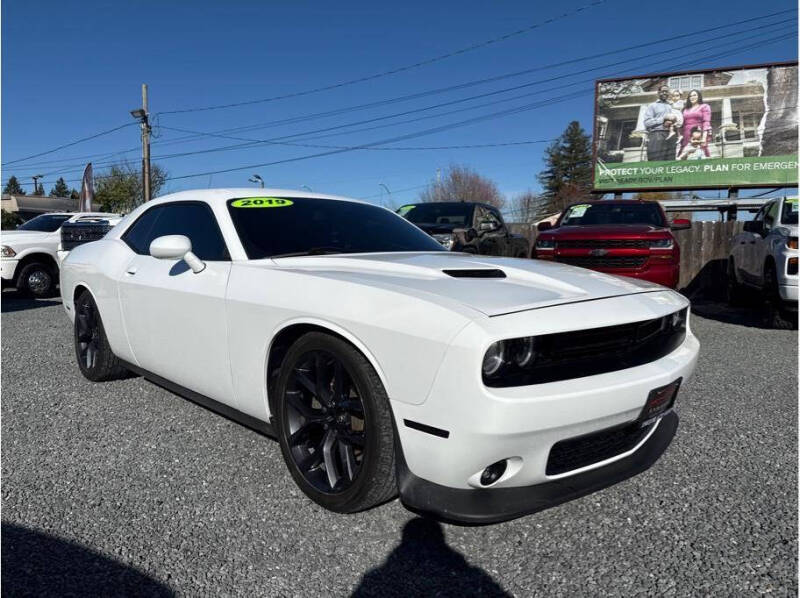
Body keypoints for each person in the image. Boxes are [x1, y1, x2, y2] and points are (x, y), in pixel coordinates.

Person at [643, 85, 679, 161]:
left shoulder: (671, 106)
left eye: (667, 91)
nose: (665, 93)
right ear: (658, 93)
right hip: (657, 135)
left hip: (671, 135)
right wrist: (663, 119)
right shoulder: (652, 106)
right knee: (656, 162)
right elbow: (647, 123)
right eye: (663, 91)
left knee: (670, 162)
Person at [681, 89, 712, 157]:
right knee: (687, 155)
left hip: (698, 134)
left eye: (694, 95)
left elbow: (706, 122)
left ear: (699, 96)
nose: (692, 97)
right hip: (686, 135)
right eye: (690, 96)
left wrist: (704, 138)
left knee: (701, 154)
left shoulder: (704, 106)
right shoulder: (685, 109)